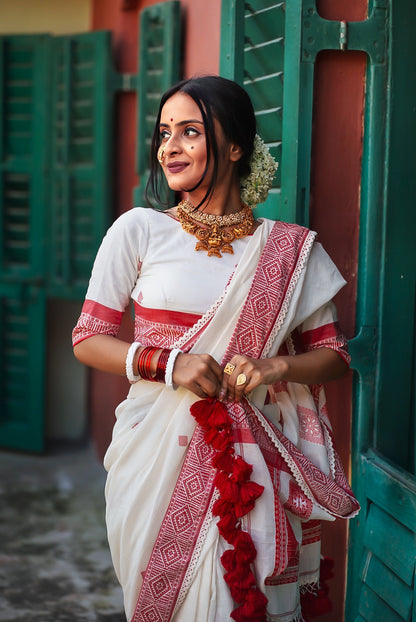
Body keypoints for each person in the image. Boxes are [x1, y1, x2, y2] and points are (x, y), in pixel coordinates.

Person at [73, 75, 359, 622]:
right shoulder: (140, 231)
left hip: (253, 465)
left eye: (189, 132)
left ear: (234, 147)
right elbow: (88, 338)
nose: (170, 147)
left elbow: (333, 358)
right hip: (154, 451)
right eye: (164, 133)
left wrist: (276, 364)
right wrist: (170, 364)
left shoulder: (287, 251)